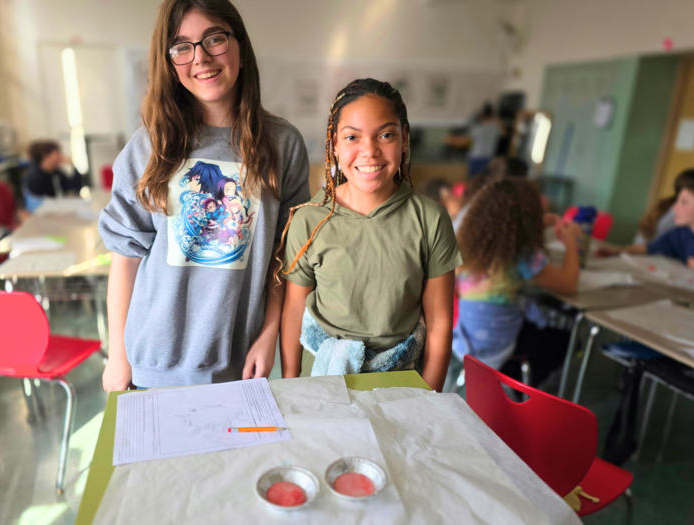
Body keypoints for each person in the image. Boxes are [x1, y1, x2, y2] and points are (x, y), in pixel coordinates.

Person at [98, 0, 310, 391]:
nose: (201, 58)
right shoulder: (149, 146)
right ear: (168, 62)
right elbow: (125, 257)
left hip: (240, 364)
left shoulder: (282, 144)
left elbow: (287, 256)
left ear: (240, 46)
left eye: (214, 39)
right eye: (182, 46)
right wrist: (118, 357)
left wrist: (269, 333)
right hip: (152, 363)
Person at [278, 79, 462, 392]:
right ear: (335, 145)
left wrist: (430, 396)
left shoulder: (430, 219)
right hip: (321, 378)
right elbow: (294, 311)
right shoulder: (310, 219)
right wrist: (291, 386)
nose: (370, 151)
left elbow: (439, 322)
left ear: (404, 139)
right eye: (352, 137)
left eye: (386, 135)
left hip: (401, 383)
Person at [452, 178, 580, 372]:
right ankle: (515, 380)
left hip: (464, 338)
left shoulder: (470, 248)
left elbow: (506, 229)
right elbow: (569, 284)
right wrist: (572, 242)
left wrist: (536, 227)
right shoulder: (521, 256)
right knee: (567, 341)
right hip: (494, 348)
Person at [597, 168, 694, 272]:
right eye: (678, 201)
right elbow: (650, 247)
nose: (674, 207)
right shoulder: (679, 234)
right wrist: (618, 250)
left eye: (684, 202)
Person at [444, 103, 503, 178]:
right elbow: (505, 134)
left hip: (476, 158)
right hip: (489, 158)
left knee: (474, 180)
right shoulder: (495, 128)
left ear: (482, 116)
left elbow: (464, 142)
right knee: (486, 180)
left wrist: (450, 140)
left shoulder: (477, 129)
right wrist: (497, 120)